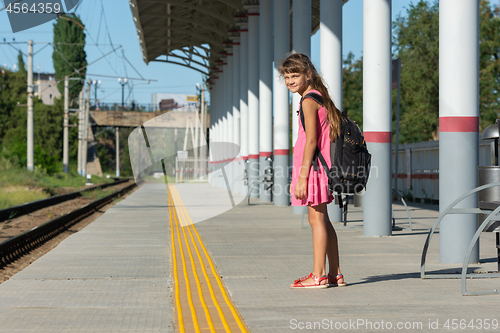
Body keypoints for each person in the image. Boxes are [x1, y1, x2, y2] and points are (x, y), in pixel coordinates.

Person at [279, 53, 347, 289]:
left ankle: (318, 275)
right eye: (286, 76)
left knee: (315, 220)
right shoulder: (319, 96)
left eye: (295, 74)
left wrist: (302, 177)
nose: (290, 80)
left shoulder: (308, 100)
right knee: (324, 221)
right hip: (320, 169)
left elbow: (311, 141)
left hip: (315, 170)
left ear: (308, 74)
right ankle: (335, 273)